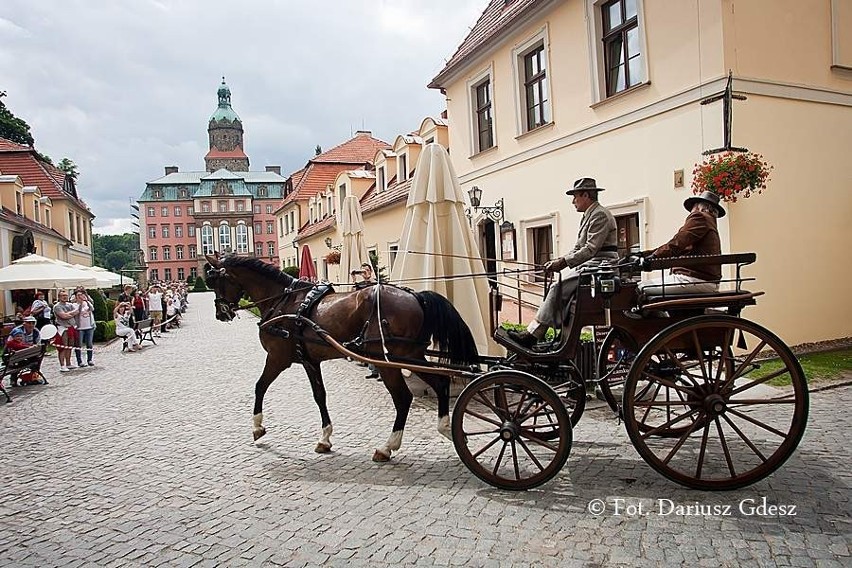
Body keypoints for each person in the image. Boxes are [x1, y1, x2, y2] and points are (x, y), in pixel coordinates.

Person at [507, 177, 618, 348]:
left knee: (557, 287)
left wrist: (563, 263)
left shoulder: (600, 215)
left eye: (576, 197)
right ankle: (553, 333)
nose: (573, 201)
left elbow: (590, 249)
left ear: (586, 195)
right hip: (590, 266)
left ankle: (533, 334)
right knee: (559, 285)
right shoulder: (590, 215)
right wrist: (558, 261)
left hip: (600, 267)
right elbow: (577, 248)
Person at [638, 190, 725, 296]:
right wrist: (645, 254)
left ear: (698, 207)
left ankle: (655, 313)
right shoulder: (710, 223)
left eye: (693, 207)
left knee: (640, 288)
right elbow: (678, 246)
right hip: (706, 281)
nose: (691, 212)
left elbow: (677, 244)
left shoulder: (700, 218)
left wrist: (653, 257)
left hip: (694, 279)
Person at [351, 263, 380, 378]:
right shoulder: (361, 284)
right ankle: (373, 370)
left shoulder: (375, 282)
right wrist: (354, 280)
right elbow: (354, 294)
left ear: (371, 271)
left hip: (375, 316)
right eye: (362, 272)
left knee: (376, 345)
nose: (364, 274)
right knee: (368, 345)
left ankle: (382, 372)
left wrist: (369, 278)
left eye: (366, 271)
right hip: (365, 318)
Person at [4, 316, 42, 386]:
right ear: (24, 324)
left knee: (36, 359)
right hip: (15, 357)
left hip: (27, 354)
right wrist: (30, 347)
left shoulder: (36, 332)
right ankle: (14, 378)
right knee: (16, 360)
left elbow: (37, 344)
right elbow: (10, 344)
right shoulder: (17, 330)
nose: (31, 325)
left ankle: (32, 376)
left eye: (33, 323)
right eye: (29, 323)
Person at [52, 290, 79, 372]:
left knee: (70, 346)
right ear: (59, 297)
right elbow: (63, 316)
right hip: (62, 327)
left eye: (66, 295)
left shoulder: (70, 305)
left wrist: (69, 314)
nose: (65, 297)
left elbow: (77, 311)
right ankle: (62, 365)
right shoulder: (57, 306)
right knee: (63, 346)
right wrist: (70, 314)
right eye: (63, 295)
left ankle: (68, 363)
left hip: (71, 327)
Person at [73, 289, 96, 367]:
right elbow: (77, 312)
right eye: (78, 295)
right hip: (80, 327)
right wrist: (80, 304)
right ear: (76, 297)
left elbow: (92, 309)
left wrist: (87, 301)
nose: (80, 297)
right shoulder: (74, 305)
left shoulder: (87, 303)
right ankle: (79, 361)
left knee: (89, 344)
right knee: (78, 344)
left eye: (81, 295)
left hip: (89, 326)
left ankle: (90, 359)